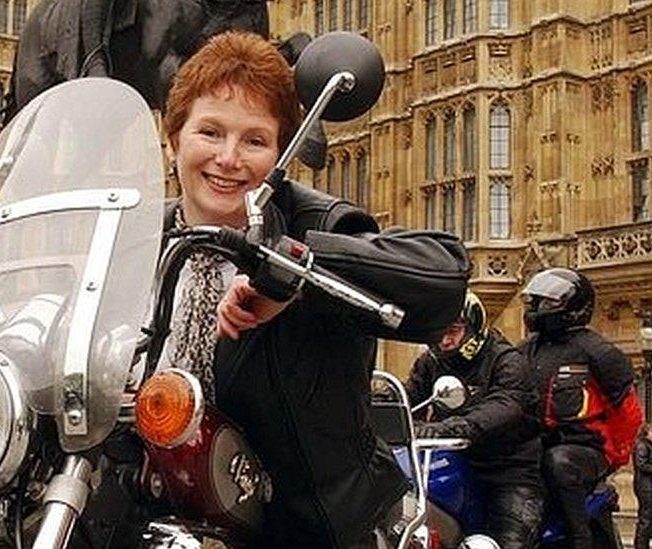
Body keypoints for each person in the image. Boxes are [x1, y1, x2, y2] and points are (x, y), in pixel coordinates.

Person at [158, 31, 470, 547]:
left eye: (255, 140)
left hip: (313, 529)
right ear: (173, 139)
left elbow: (444, 278)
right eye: (210, 132)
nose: (229, 158)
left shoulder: (313, 223)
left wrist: (297, 273)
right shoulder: (133, 238)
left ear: (282, 153)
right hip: (166, 521)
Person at [405, 291, 543, 548]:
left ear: (474, 328)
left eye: (453, 331)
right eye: (438, 332)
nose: (444, 340)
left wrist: (454, 427)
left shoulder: (507, 360)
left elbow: (506, 403)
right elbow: (406, 398)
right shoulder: (431, 362)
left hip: (507, 470)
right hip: (454, 464)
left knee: (509, 543)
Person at [518, 267, 643, 549]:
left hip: (585, 447)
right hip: (535, 444)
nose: (538, 308)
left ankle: (580, 538)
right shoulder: (525, 349)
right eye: (536, 301)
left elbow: (628, 413)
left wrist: (616, 457)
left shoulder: (599, 352)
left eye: (546, 302)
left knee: (559, 463)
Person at [635, 424, 652, 549]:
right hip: (645, 487)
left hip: (648, 485)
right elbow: (642, 465)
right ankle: (641, 545)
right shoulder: (642, 446)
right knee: (645, 517)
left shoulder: (648, 446)